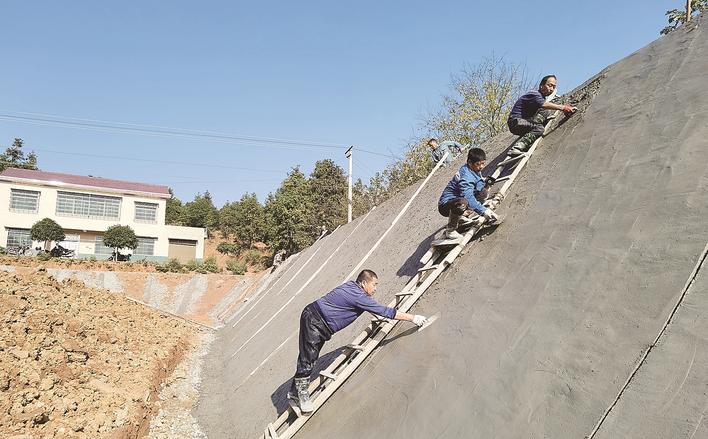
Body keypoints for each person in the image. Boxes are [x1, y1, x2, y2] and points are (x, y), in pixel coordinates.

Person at [288, 269, 428, 413]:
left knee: (309, 356)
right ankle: (301, 395)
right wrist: (413, 318)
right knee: (308, 358)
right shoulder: (358, 296)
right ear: (363, 283)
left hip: (317, 320)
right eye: (374, 284)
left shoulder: (352, 287)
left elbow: (364, 306)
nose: (375, 289)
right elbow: (384, 311)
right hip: (315, 320)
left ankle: (294, 393)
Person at [507, 75, 576, 156]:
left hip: (524, 121)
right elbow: (544, 104)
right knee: (539, 129)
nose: (551, 89)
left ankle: (532, 131)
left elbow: (543, 108)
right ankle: (516, 148)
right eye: (549, 85)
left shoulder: (541, 97)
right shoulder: (534, 94)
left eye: (554, 87)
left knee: (545, 112)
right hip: (516, 122)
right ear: (541, 85)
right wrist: (563, 107)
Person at [438, 148, 499, 240]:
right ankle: (450, 230)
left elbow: (477, 181)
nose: (481, 167)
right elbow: (468, 196)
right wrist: (484, 211)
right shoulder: (466, 177)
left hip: (458, 198)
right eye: (478, 164)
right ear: (470, 162)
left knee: (483, 192)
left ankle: (460, 217)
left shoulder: (473, 169)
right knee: (463, 202)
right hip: (446, 205)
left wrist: (486, 183)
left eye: (483, 163)